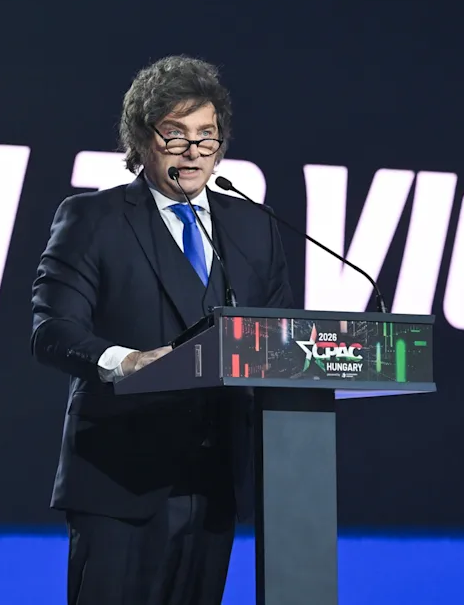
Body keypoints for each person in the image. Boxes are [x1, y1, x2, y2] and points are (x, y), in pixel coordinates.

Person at [30, 55, 294, 605]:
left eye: (206, 136)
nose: (193, 151)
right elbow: (52, 330)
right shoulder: (92, 219)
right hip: (120, 479)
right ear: (140, 138)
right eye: (175, 135)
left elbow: (280, 340)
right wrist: (125, 361)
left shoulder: (254, 226)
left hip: (215, 482)